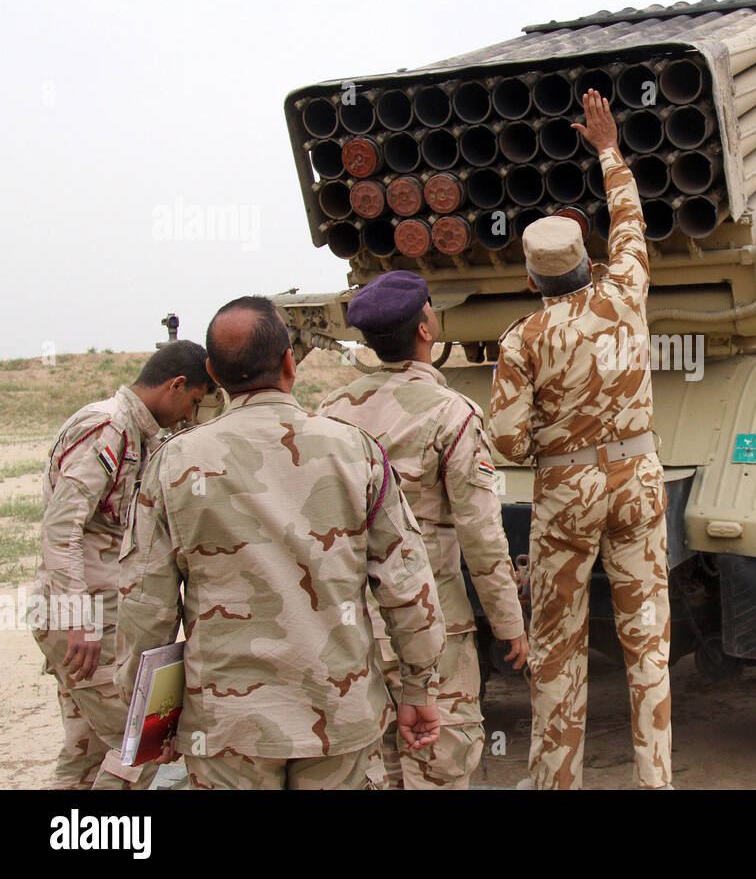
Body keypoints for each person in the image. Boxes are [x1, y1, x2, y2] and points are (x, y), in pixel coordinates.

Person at [114, 296, 445, 790]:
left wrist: (150, 717)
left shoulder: (175, 463)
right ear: (290, 361)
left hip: (229, 729)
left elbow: (145, 608)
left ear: (213, 373)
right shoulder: (357, 452)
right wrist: (419, 687)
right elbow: (407, 586)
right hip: (340, 718)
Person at [489, 90, 671, 789]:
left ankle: (555, 783)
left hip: (567, 495)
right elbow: (629, 220)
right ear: (587, 261)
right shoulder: (627, 287)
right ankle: (655, 780)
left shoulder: (525, 340)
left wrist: (553, 439)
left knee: (559, 653)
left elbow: (507, 441)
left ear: (532, 278)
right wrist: (608, 148)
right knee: (647, 641)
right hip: (640, 481)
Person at [318, 271, 527, 789]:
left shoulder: (330, 412)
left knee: (373, 766)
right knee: (440, 764)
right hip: (432, 626)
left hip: (352, 627)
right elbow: (481, 533)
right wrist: (509, 623)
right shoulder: (451, 414)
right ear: (427, 328)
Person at [32, 340, 214, 789]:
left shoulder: (138, 434)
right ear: (176, 385)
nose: (191, 416)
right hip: (85, 620)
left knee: (87, 749)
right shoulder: (108, 428)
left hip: (92, 616)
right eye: (193, 402)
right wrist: (80, 620)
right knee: (144, 742)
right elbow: (61, 529)